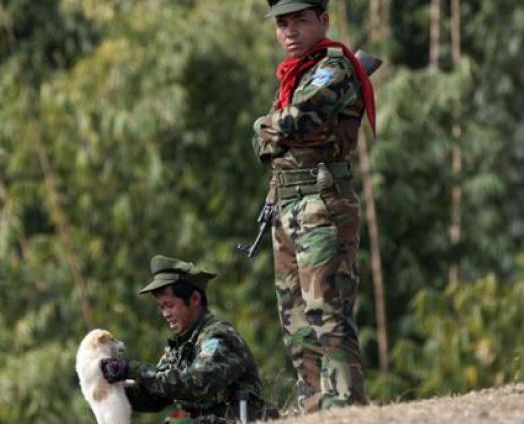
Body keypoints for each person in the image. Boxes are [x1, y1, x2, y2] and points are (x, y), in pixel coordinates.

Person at [250, 0, 375, 413]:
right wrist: (272, 129)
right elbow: (268, 143)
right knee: (297, 323)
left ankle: (346, 409)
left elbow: (296, 121)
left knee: (327, 311)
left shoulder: (333, 69)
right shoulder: (294, 77)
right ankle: (315, 411)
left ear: (323, 21)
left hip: (321, 203)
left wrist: (264, 124)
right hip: (286, 203)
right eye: (282, 24)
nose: (289, 32)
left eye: (300, 21)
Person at [100, 255, 270, 423]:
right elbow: (156, 396)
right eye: (161, 307)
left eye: (170, 305)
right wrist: (105, 388)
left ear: (194, 299)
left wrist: (132, 369)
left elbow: (196, 383)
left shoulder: (219, 336)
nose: (165, 314)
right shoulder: (180, 347)